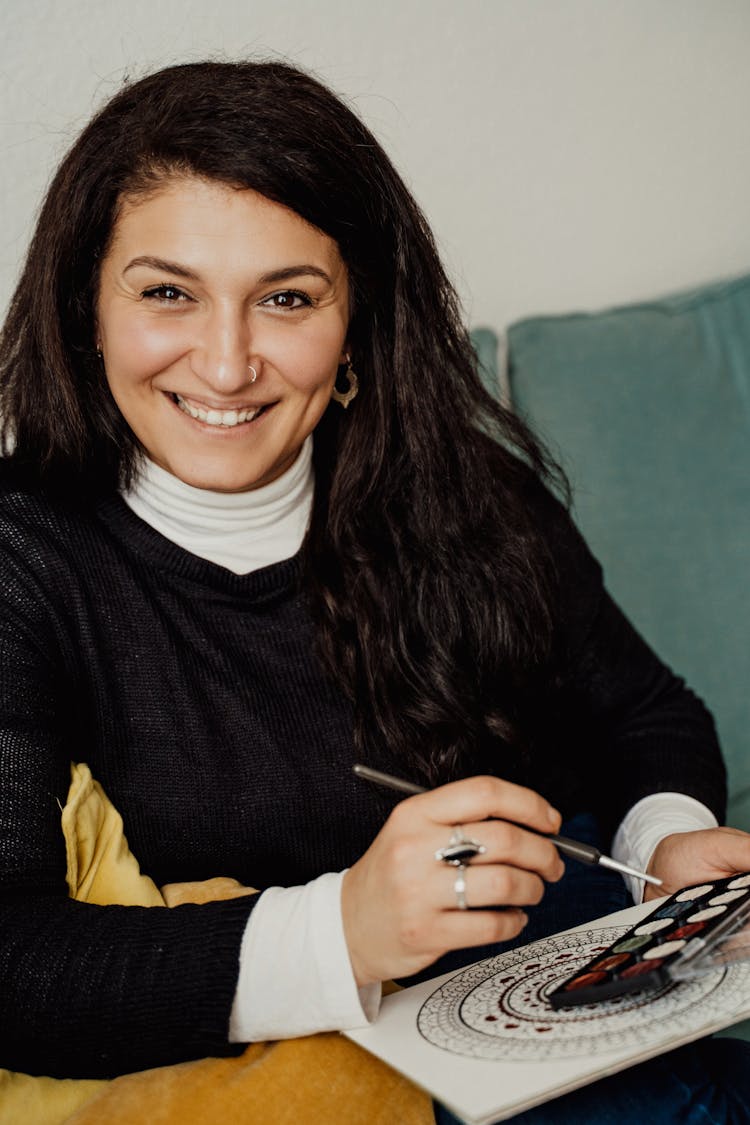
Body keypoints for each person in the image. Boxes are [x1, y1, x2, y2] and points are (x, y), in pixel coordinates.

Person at [0, 59, 749, 1122]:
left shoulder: (466, 492)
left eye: (288, 300)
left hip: (559, 1044)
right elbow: (13, 963)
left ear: (355, 321)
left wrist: (664, 841)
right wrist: (341, 930)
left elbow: (642, 712)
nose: (225, 364)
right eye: (168, 293)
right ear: (86, 310)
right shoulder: (22, 558)